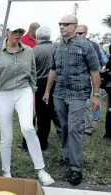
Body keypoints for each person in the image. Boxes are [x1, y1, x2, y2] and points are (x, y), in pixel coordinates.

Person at [0, 24, 55, 186]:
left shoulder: (29, 51)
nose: (18, 34)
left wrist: (32, 106)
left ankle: (41, 169)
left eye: (21, 32)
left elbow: (32, 78)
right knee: (6, 135)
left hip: (24, 91)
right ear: (7, 32)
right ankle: (6, 171)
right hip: (3, 93)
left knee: (28, 127)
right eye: (15, 31)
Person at [43, 15, 100, 185]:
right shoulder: (57, 47)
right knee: (64, 126)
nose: (62, 27)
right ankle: (67, 156)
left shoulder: (86, 46)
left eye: (66, 24)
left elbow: (95, 71)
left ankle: (76, 167)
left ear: (75, 27)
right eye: (60, 24)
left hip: (78, 93)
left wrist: (96, 95)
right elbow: (53, 70)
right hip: (59, 93)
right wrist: (47, 91)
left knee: (74, 127)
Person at [20, 26, 61, 151]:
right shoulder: (57, 49)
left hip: (36, 85)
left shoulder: (34, 51)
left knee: (30, 114)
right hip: (52, 85)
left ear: (37, 38)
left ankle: (27, 144)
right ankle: (43, 143)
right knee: (45, 116)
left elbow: (27, 71)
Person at [75, 25, 103, 135]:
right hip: (77, 79)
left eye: (80, 33)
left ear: (86, 33)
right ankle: (81, 126)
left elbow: (98, 63)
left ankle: (88, 128)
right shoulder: (73, 45)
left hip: (89, 79)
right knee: (78, 104)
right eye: (76, 33)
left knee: (87, 103)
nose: (78, 35)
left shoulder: (93, 45)